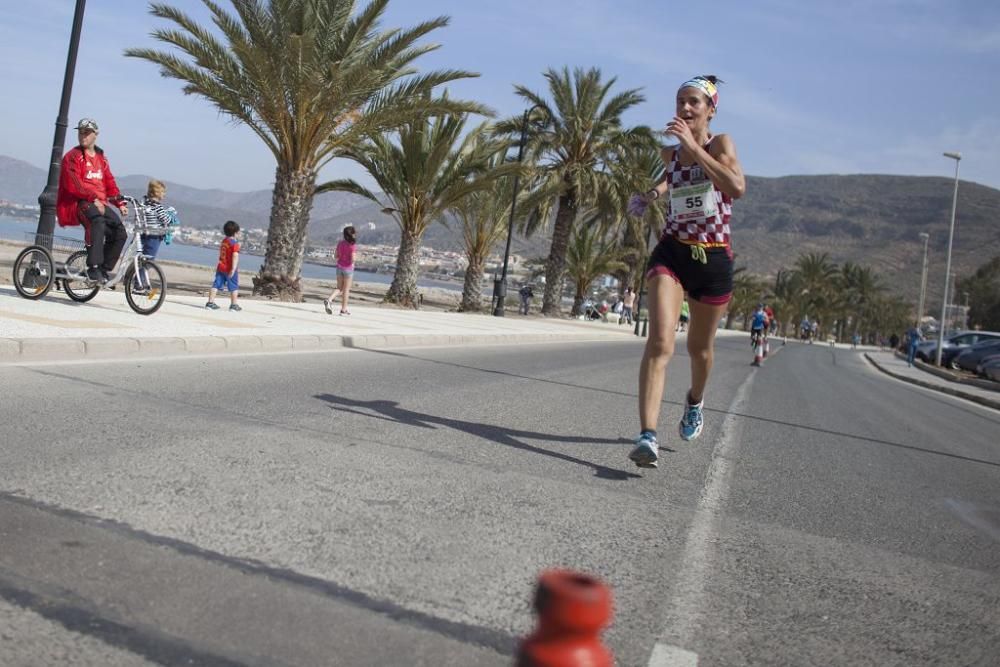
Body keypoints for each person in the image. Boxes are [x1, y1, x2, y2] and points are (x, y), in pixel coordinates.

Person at [625, 74, 746, 469]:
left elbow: (736, 187)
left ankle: (695, 400)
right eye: (680, 102)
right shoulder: (670, 154)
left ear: (711, 109)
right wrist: (649, 196)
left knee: (700, 349)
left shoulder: (721, 144)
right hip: (673, 252)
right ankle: (647, 435)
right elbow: (671, 178)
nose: (685, 108)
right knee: (661, 341)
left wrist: (694, 145)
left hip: (712, 261)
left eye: (694, 102)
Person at [56, 118, 128, 284]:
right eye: (80, 132)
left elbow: (109, 182)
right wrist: (93, 198)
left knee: (120, 232)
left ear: (96, 135)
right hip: (79, 203)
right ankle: (94, 266)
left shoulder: (101, 158)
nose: (83, 135)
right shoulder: (72, 157)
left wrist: (120, 203)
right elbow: (73, 184)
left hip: (98, 203)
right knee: (97, 221)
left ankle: (103, 269)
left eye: (87, 132)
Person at [134, 179, 177, 292]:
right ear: (157, 193)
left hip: (143, 234)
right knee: (148, 262)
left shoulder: (143, 203)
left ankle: (139, 283)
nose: (164, 195)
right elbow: (166, 219)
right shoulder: (158, 207)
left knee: (141, 260)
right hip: (154, 236)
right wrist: (171, 214)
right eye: (163, 192)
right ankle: (139, 284)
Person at [206, 220, 241, 311]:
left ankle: (210, 303)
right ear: (235, 233)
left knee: (216, 284)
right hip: (229, 268)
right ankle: (234, 305)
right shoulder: (234, 244)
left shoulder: (224, 241)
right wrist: (233, 269)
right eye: (238, 232)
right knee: (234, 286)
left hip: (221, 267)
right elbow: (235, 255)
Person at [324, 225, 357, 315]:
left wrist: (343, 256)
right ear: (352, 234)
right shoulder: (352, 245)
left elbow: (336, 256)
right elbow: (353, 259)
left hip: (339, 267)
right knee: (346, 289)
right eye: (354, 233)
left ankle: (329, 300)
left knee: (339, 287)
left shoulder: (340, 243)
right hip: (348, 269)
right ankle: (343, 310)